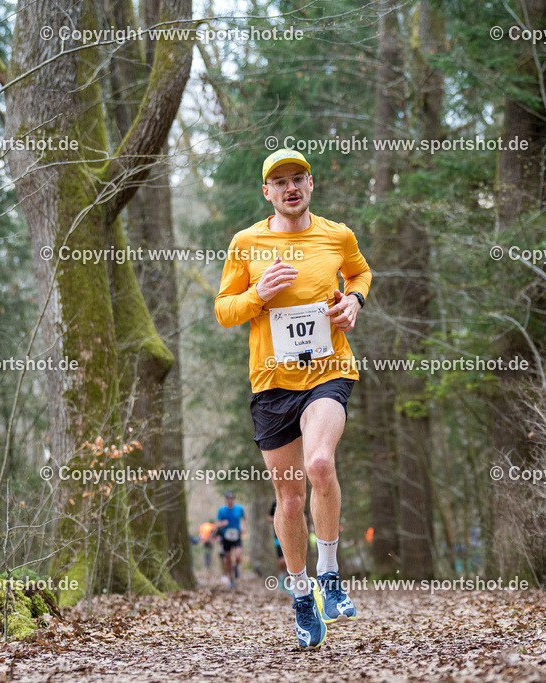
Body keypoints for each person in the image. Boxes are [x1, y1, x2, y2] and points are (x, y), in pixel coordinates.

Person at [214, 149, 370, 650]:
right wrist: (258, 293)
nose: (289, 188)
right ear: (267, 193)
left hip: (327, 372)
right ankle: (302, 597)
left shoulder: (337, 235)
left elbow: (361, 274)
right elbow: (224, 311)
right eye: (278, 181)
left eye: (297, 178)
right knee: (290, 498)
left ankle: (329, 575)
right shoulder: (246, 243)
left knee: (320, 463)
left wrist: (353, 301)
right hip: (271, 386)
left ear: (310, 183)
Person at [216, 491, 246, 588]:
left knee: (238, 556)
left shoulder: (239, 509)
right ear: (226, 499)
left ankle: (235, 567)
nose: (230, 500)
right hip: (226, 536)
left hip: (236, 535)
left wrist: (243, 527)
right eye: (228, 498)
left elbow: (245, 519)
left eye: (231, 498)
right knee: (228, 558)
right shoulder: (221, 510)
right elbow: (217, 524)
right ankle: (231, 579)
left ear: (234, 499)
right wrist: (222, 523)